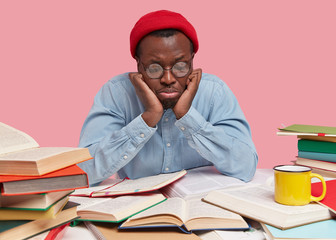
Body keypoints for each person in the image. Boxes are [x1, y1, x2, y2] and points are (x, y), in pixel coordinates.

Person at [78, 10, 258, 185]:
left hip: (200, 206)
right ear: (139, 65)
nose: (168, 79)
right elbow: (83, 172)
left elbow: (246, 166)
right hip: (138, 208)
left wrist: (187, 117)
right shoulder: (116, 93)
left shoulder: (214, 92)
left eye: (180, 66)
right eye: (154, 68)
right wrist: (147, 119)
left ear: (192, 61)